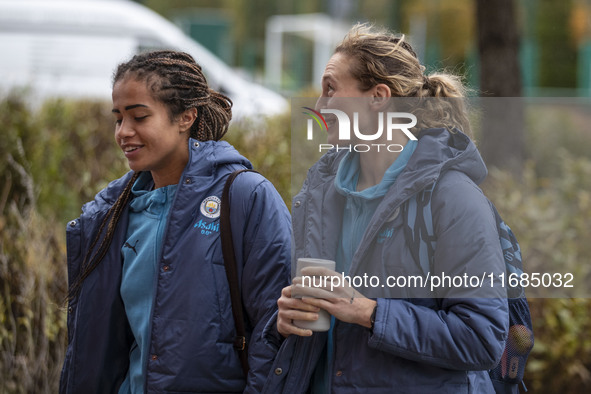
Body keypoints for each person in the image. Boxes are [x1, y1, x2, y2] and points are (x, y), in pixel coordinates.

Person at [264, 24, 509, 393]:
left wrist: (369, 312)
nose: (319, 106)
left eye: (331, 89)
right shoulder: (320, 193)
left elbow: (481, 337)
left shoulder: (453, 198)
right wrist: (282, 322)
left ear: (378, 97)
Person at [59, 50, 291, 393]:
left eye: (139, 117)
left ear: (186, 117)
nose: (124, 132)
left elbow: (274, 333)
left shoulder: (246, 197)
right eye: (118, 118)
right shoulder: (111, 211)